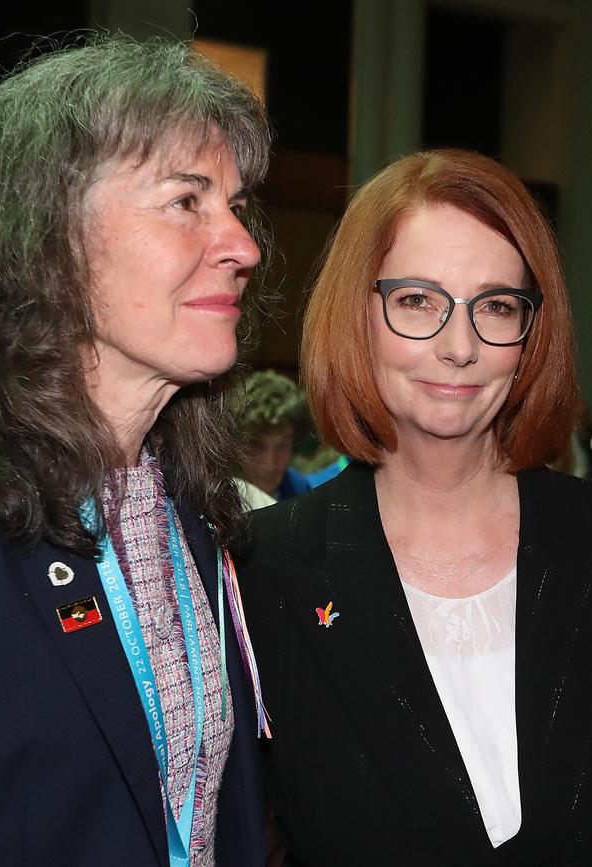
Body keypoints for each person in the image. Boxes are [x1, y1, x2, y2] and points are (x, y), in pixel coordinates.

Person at [0, 35, 272, 866]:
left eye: (235, 205)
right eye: (186, 200)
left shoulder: (191, 511)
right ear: (49, 229)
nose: (243, 246)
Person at [239, 149, 592, 864]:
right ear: (357, 317)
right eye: (417, 301)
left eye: (496, 305)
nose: (459, 347)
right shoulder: (261, 569)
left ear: (531, 337)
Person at [232, 368, 312, 501]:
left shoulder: (300, 491)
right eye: (254, 445)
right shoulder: (212, 494)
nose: (270, 465)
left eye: (282, 446)